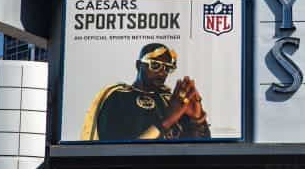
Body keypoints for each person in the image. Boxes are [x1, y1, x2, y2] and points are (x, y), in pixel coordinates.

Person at [80, 43, 210, 141]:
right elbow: (117, 152)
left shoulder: (171, 101)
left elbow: (200, 150)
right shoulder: (118, 96)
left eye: (167, 68)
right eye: (155, 65)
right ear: (138, 65)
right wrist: (167, 121)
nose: (161, 72)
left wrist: (197, 119)